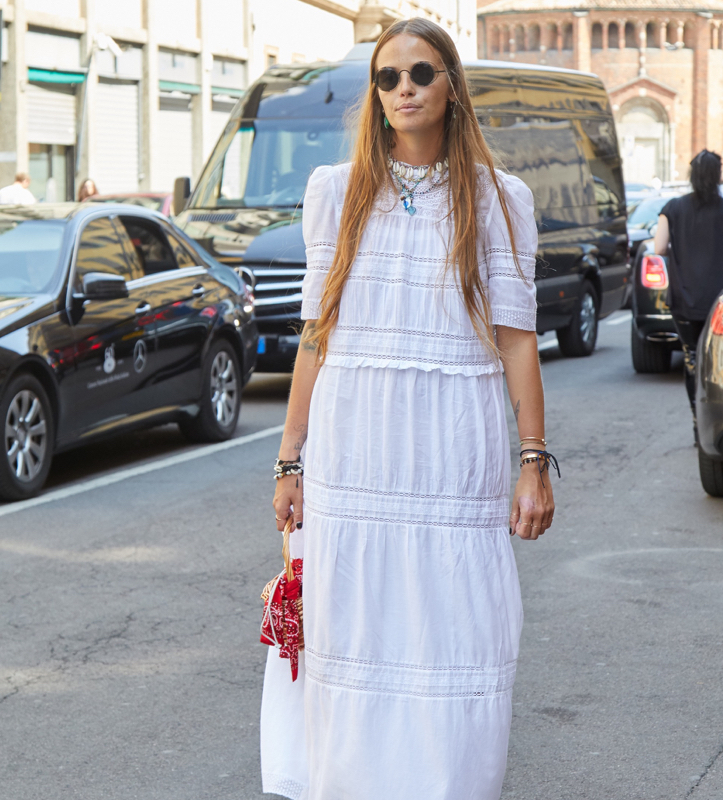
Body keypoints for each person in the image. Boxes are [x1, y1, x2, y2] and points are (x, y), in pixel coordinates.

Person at [262, 17, 555, 800]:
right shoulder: (337, 194)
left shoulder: (499, 199)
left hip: (453, 454)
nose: (402, 90)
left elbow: (518, 342)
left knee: (456, 634)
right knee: (354, 632)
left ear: (450, 85)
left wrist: (534, 460)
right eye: (387, 78)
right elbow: (316, 341)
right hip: (353, 459)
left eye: (420, 74)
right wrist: (291, 459)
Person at [653, 149, 723, 435]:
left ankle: (697, 422)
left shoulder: (673, 208)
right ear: (718, 176)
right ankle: (721, 424)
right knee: (722, 362)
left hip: (685, 300)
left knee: (691, 358)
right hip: (721, 303)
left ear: (692, 175)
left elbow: (659, 248)